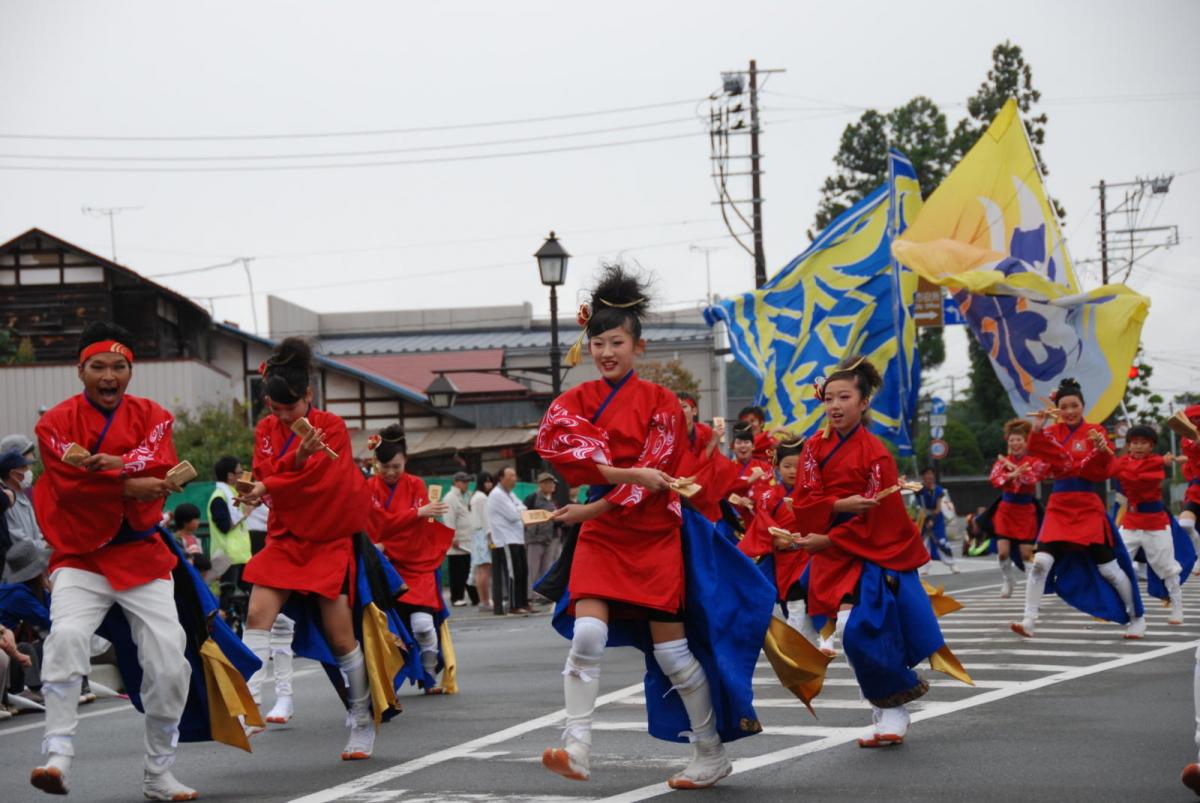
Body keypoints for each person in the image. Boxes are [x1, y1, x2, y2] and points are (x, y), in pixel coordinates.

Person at [535, 265, 773, 789]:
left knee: (672, 652)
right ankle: (577, 745)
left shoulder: (663, 403)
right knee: (588, 633)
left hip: (652, 529)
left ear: (638, 346)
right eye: (597, 342)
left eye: (616, 341)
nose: (605, 351)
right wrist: (614, 484)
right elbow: (563, 451)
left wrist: (595, 503)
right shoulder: (574, 402)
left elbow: (656, 478)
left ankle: (710, 751)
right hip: (602, 528)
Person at [29, 322, 198, 799]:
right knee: (65, 638)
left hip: (141, 553)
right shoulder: (55, 424)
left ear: (130, 371)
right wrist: (128, 483)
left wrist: (120, 466)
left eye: (119, 366)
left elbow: (155, 456)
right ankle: (57, 755)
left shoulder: (154, 414)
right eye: (98, 366)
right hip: (81, 556)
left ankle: (159, 772)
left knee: (169, 660)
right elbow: (67, 482)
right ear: (80, 371)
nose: (109, 375)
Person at [793, 355, 970, 748]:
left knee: (856, 630)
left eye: (844, 397)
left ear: (863, 403)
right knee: (847, 630)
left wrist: (833, 535)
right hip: (832, 547)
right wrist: (838, 509)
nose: (835, 405)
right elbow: (804, 500)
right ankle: (885, 707)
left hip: (870, 549)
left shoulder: (876, 454)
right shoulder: (813, 449)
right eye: (829, 398)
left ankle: (893, 706)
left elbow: (881, 514)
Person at [236, 336, 397, 760]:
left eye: (291, 407)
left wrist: (272, 481)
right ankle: (247, 701)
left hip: (328, 539)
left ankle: (361, 720)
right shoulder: (267, 429)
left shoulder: (332, 427)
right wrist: (271, 478)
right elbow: (266, 471)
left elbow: (319, 482)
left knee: (342, 639)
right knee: (256, 614)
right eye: (276, 408)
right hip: (286, 536)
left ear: (309, 395)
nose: (284, 416)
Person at [1011, 377, 1145, 640]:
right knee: (1040, 562)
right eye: (1064, 406)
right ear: (1056, 409)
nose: (1070, 411)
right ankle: (1028, 620)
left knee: (1109, 568)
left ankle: (1136, 617)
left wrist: (1101, 451)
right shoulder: (1049, 433)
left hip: (1086, 505)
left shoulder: (1095, 431)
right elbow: (1041, 465)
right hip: (1059, 505)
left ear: (1083, 406)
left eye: (1075, 405)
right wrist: (1036, 431)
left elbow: (1102, 470)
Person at [366, 424, 454, 693]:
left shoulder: (416, 484)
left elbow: (419, 526)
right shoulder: (369, 487)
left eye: (397, 466)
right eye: (385, 466)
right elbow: (380, 523)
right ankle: (388, 684)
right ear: (375, 463)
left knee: (424, 626)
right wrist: (415, 514)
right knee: (389, 633)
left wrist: (396, 534)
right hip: (387, 568)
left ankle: (429, 675)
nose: (391, 472)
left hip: (417, 563)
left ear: (406, 462)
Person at [739, 436, 833, 654]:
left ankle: (807, 647)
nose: (792, 471)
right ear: (777, 467)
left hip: (811, 557)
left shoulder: (815, 493)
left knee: (807, 601)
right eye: (787, 466)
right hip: (785, 560)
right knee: (793, 606)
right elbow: (763, 523)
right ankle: (804, 651)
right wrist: (776, 537)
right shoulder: (770, 496)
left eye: (798, 466)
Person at [1116, 424, 1186, 624]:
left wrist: (1160, 462)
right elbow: (1111, 468)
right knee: (1114, 563)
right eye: (1134, 442)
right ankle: (1126, 609)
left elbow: (1138, 475)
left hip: (1155, 522)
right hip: (1130, 522)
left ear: (1151, 446)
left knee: (1167, 568)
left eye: (1143, 443)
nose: (1138, 446)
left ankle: (1177, 608)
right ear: (1128, 445)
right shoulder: (1136, 462)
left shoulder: (1155, 466)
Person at [988, 419, 1046, 597]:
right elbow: (994, 480)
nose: (1015, 443)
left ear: (1026, 442)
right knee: (1003, 552)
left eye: (1019, 440)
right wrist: (1009, 476)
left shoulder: (1034, 461)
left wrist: (1018, 473)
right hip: (1006, 509)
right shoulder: (1002, 463)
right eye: (1012, 440)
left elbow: (1033, 478)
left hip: (1025, 510)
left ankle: (1032, 590)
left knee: (1026, 555)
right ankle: (1008, 580)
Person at [208, 455, 253, 610]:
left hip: (241, 556)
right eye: (239, 472)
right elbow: (225, 526)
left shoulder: (233, 493)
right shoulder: (219, 497)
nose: (242, 476)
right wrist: (245, 514)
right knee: (227, 598)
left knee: (250, 594)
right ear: (230, 475)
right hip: (228, 557)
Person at [488, 467, 530, 615]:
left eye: (514, 475)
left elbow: (524, 507)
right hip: (505, 539)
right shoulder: (497, 494)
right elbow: (513, 515)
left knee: (523, 571)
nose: (514, 478)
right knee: (513, 573)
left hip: (517, 538)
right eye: (511, 475)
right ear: (501, 477)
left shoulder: (510, 494)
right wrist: (519, 510)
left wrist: (519, 509)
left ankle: (523, 603)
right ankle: (513, 605)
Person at [443, 471, 479, 607]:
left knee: (469, 570)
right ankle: (456, 597)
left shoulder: (468, 496)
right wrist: (452, 536)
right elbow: (449, 518)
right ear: (456, 482)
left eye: (468, 482)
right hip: (457, 540)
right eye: (464, 482)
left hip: (469, 540)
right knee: (457, 571)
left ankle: (475, 598)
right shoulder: (450, 497)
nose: (467, 484)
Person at [916, 467, 959, 574]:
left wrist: (932, 520)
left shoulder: (939, 490)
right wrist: (926, 520)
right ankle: (925, 567)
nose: (930, 476)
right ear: (923, 476)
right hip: (923, 517)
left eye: (932, 474)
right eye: (927, 474)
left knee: (942, 541)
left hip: (937, 518)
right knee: (924, 543)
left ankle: (952, 564)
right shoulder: (919, 489)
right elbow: (920, 507)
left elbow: (938, 508)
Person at [524, 473, 560, 603]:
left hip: (549, 538)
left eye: (552, 483)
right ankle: (530, 595)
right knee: (532, 568)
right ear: (540, 484)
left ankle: (542, 594)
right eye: (547, 483)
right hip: (535, 538)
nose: (551, 485)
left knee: (546, 568)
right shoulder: (532, 498)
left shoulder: (552, 500)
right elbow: (525, 516)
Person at [1, 448, 45, 549]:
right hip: (22, 561)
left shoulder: (23, 495)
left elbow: (36, 531)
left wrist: (44, 541)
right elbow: (18, 540)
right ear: (13, 474)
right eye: (24, 467)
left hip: (36, 555)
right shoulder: (7, 502)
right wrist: (44, 545)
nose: (29, 471)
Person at [469, 472, 494, 611]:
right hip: (483, 534)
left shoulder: (475, 496)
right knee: (484, 569)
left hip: (477, 534)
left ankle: (483, 601)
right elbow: (487, 519)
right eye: (486, 481)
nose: (489, 484)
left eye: (490, 481)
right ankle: (485, 601)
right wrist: (491, 535)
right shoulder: (482, 497)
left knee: (480, 569)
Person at [1178, 404, 1200, 562]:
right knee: (1185, 524)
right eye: (1194, 419)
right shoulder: (1187, 439)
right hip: (1197, 489)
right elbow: (1192, 447)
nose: (1197, 421)